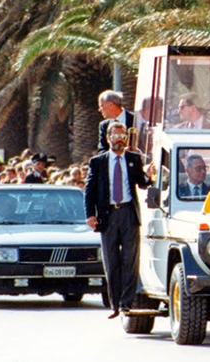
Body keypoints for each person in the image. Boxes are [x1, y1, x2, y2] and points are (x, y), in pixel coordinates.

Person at [85, 121, 155, 319]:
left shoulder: (133, 158)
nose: (119, 140)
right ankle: (115, 304)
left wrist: (149, 176)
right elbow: (89, 190)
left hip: (128, 214)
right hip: (108, 216)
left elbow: (142, 183)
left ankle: (126, 303)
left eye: (123, 137)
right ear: (108, 139)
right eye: (115, 137)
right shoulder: (98, 162)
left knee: (130, 260)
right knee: (111, 261)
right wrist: (90, 214)